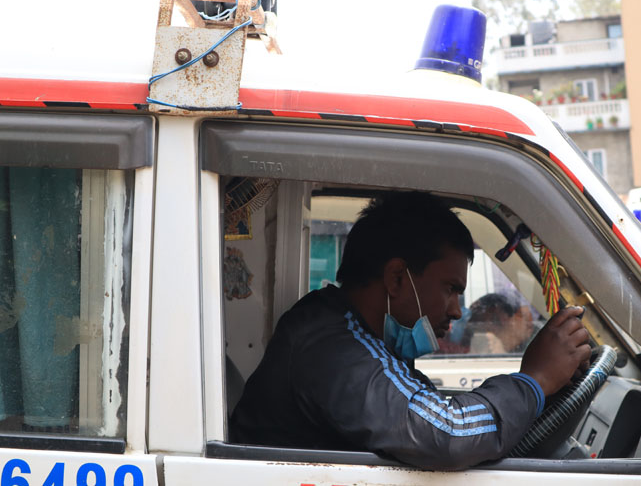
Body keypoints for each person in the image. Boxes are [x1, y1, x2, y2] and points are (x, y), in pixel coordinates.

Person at [229, 191, 591, 470]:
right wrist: (534, 380)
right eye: (451, 288)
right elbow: (446, 433)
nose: (457, 310)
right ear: (397, 277)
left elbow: (428, 411)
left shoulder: (365, 338)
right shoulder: (329, 344)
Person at [466, 292, 539, 354]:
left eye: (495, 319)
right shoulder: (475, 349)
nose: (489, 331)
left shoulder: (539, 341)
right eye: (481, 325)